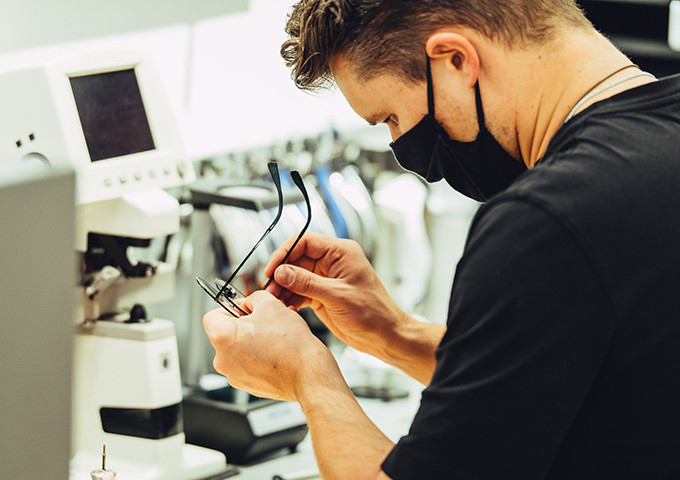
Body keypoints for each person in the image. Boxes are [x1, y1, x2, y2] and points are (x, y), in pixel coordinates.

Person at [202, 1, 680, 478]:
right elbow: (552, 383)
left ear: (455, 60)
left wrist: (308, 375)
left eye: (390, 117)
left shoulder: (547, 225)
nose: (407, 151)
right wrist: (393, 333)